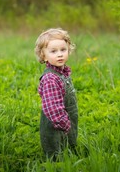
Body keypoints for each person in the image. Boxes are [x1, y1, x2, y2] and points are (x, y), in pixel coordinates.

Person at [34, 28, 78, 160]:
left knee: (68, 151)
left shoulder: (62, 73)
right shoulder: (50, 79)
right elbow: (53, 108)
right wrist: (66, 125)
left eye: (63, 50)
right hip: (57, 127)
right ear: (43, 55)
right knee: (57, 155)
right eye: (53, 51)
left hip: (66, 124)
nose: (60, 54)